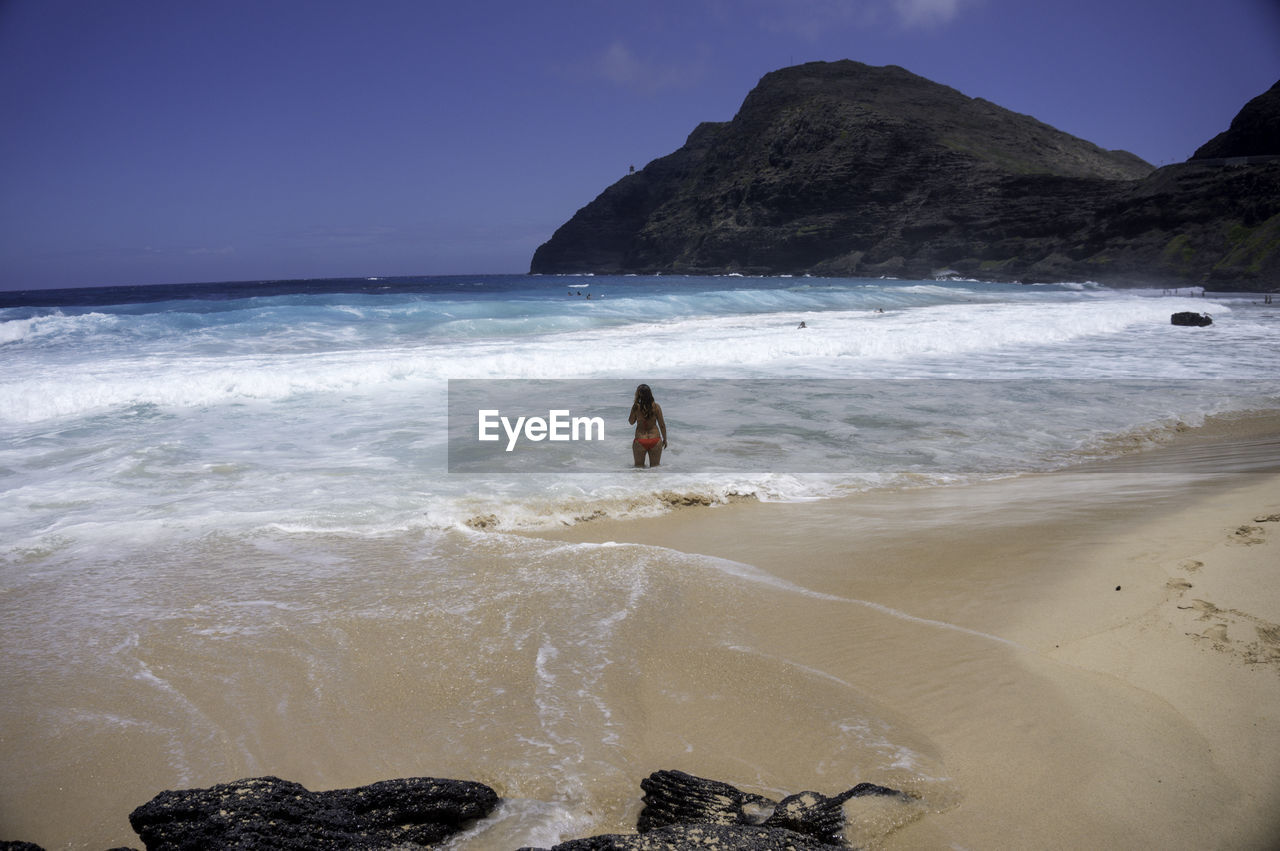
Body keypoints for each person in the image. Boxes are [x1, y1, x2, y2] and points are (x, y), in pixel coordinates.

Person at [628, 383, 667, 468]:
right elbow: (662, 425)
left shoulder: (636, 407)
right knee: (655, 468)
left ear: (638, 394)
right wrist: (665, 439)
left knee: (638, 469)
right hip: (655, 439)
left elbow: (631, 422)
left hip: (640, 440)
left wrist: (634, 408)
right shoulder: (656, 407)